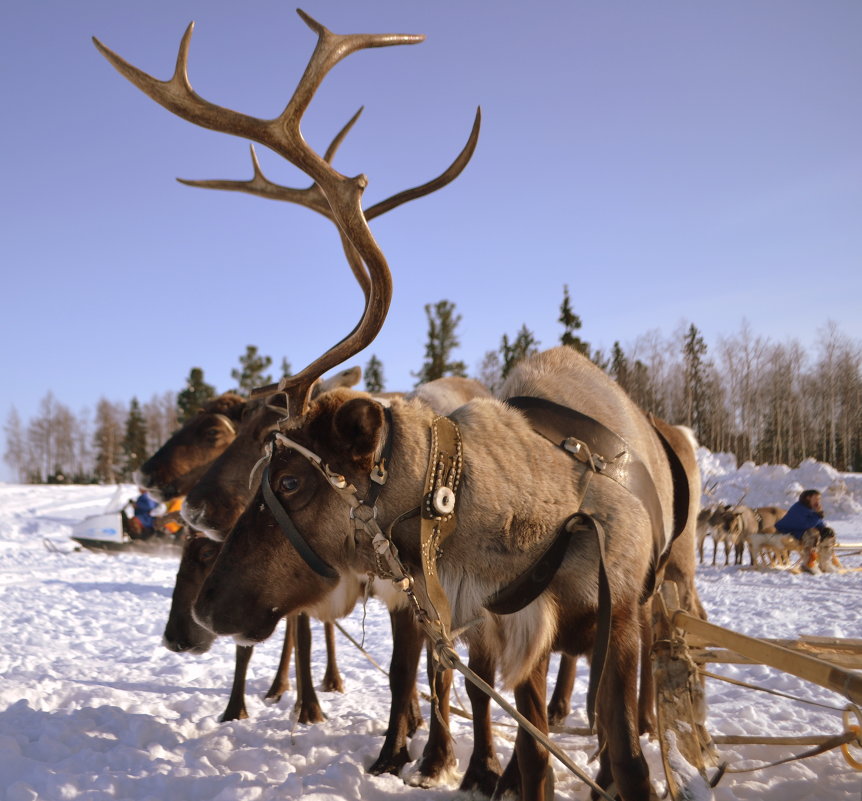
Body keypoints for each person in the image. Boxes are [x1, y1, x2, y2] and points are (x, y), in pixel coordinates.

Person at [775, 489, 836, 574]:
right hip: (788, 531)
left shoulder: (812, 508)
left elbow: (818, 523)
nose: (818, 501)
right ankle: (808, 563)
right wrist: (818, 515)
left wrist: (823, 529)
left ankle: (825, 563)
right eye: (816, 499)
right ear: (808, 498)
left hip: (801, 531)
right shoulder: (798, 508)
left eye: (819, 499)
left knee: (828, 533)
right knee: (812, 534)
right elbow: (805, 525)